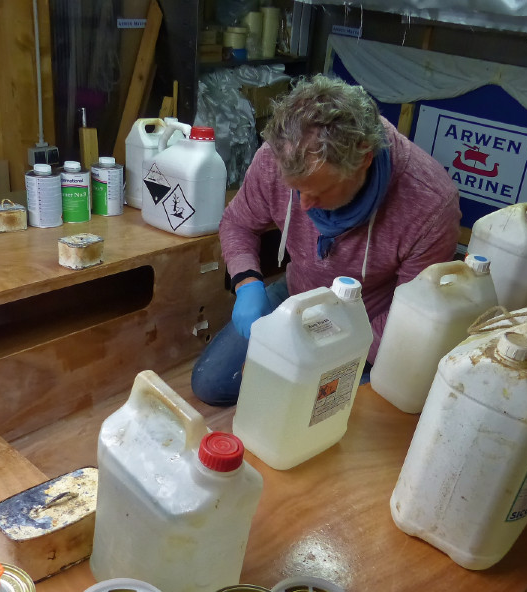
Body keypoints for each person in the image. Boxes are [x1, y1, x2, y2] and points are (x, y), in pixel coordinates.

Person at [191, 74, 461, 406]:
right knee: (212, 383)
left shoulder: (430, 204)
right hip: (298, 294)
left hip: (369, 323)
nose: (303, 206)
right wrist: (247, 283)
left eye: (318, 190)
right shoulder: (277, 157)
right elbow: (238, 222)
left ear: (363, 160)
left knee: (308, 409)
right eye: (296, 190)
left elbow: (410, 317)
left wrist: (314, 351)